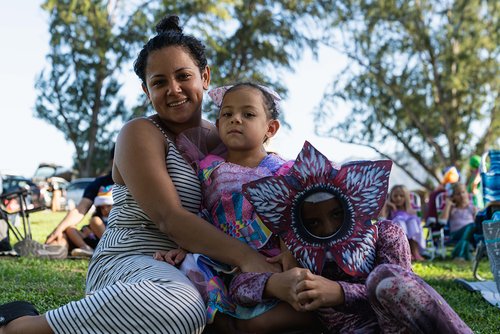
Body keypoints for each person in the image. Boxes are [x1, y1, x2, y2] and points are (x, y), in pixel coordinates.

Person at [0, 15, 279, 334]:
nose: (173, 90)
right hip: (133, 260)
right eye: (159, 82)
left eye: (183, 76)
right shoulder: (140, 133)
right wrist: (245, 257)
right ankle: (21, 326)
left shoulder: (226, 137)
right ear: (147, 91)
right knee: (181, 309)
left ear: (205, 76)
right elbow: (169, 219)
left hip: (204, 264)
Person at [233, 153, 473, 333]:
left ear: (356, 205)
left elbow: (401, 287)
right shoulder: (299, 255)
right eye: (313, 223)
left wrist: (340, 293)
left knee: (384, 276)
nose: (327, 229)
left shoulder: (385, 232)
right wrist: (276, 283)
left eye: (336, 214)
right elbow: (239, 287)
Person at [155, 83, 316, 333]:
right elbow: (203, 211)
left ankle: (272, 316)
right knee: (192, 265)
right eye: (227, 114)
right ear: (218, 125)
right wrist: (182, 248)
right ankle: (227, 322)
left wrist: (288, 252)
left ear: (270, 128)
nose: (235, 120)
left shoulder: (282, 171)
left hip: (270, 256)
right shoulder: (209, 169)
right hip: (223, 255)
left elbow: (290, 215)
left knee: (296, 285)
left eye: (248, 115)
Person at [45, 146, 115, 257]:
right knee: (64, 232)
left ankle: (111, 250)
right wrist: (57, 230)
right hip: (97, 235)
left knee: (94, 222)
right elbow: (80, 209)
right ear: (113, 161)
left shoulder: (139, 183)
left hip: (121, 236)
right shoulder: (101, 182)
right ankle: (55, 250)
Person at [380, 184, 426, 261]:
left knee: (412, 222)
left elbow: (420, 217)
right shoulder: (390, 209)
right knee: (400, 221)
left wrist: (417, 213)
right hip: (397, 233)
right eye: (395, 196)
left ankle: (415, 251)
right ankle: (406, 252)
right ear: (391, 197)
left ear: (406, 198)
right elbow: (382, 219)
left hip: (412, 234)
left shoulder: (410, 210)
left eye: (402, 196)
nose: (398, 198)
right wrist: (386, 204)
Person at [65, 186, 113, 257]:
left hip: (108, 241)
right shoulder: (99, 216)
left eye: (108, 206)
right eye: (102, 207)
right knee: (70, 229)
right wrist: (89, 232)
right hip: (92, 239)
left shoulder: (118, 217)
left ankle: (109, 248)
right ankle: (86, 248)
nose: (105, 209)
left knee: (95, 220)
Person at [439, 182, 478, 261]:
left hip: (471, 234)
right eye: (458, 194)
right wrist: (448, 205)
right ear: (453, 197)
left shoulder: (472, 208)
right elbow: (442, 221)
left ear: (467, 193)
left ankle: (459, 254)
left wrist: (476, 212)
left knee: (473, 227)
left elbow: (477, 224)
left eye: (463, 192)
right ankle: (463, 254)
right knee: (471, 226)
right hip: (455, 234)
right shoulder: (452, 208)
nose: (462, 195)